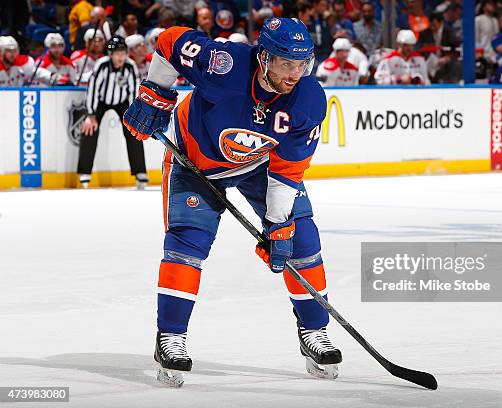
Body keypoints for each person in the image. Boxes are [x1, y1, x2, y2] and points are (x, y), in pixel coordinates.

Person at [121, 17, 342, 386]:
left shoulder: (308, 99)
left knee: (302, 240)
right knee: (187, 245)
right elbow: (170, 41)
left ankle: (315, 331)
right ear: (265, 59)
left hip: (260, 165)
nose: (294, 74)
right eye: (287, 64)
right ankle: (171, 338)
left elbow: (288, 170)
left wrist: (277, 224)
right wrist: (154, 94)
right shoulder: (222, 63)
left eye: (302, 65)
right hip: (195, 164)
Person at [78, 35, 146, 189]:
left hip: (122, 103)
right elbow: (93, 90)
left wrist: (133, 115)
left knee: (133, 131)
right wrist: (90, 115)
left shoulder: (130, 66)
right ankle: (85, 173)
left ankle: (140, 172)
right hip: (101, 101)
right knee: (89, 129)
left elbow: (133, 91)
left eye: (123, 53)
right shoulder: (102, 65)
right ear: (111, 54)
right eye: (117, 53)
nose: (121, 57)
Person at [0, 36, 66, 86]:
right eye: (8, 51)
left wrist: (51, 76)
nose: (12, 54)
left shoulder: (22, 63)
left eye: (14, 51)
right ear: (1, 52)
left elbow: (37, 72)